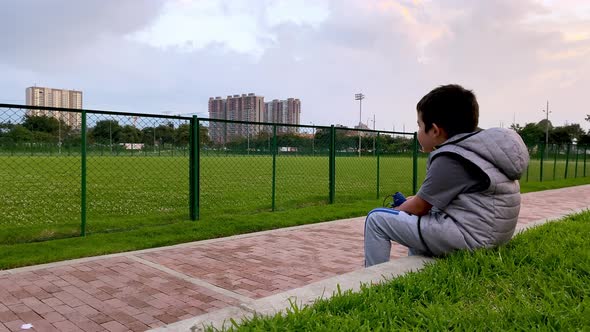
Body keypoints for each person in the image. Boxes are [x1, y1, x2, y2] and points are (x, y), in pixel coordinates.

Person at [364, 84, 529, 267]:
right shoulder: (478, 149)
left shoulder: (452, 157)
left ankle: (372, 282)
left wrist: (395, 211)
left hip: (472, 239)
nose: (418, 131)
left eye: (419, 125)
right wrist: (411, 204)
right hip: (491, 235)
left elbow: (420, 207)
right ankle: (418, 270)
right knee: (419, 220)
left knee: (376, 219)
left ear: (435, 130)